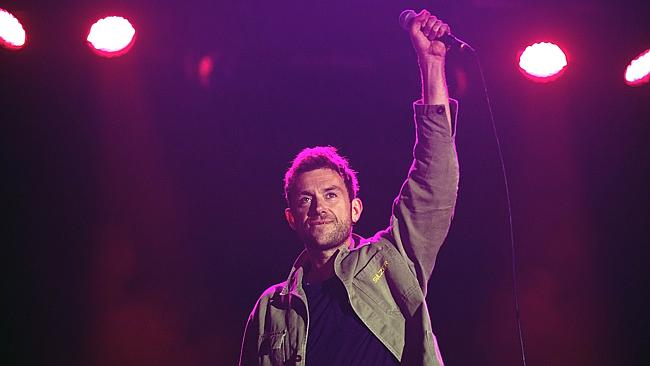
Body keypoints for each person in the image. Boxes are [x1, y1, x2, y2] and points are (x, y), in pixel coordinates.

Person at [239, 10, 459, 366]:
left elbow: (434, 180)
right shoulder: (271, 308)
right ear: (291, 217)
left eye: (330, 194)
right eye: (305, 199)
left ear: (355, 208)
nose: (318, 207)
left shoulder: (391, 260)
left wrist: (431, 63)